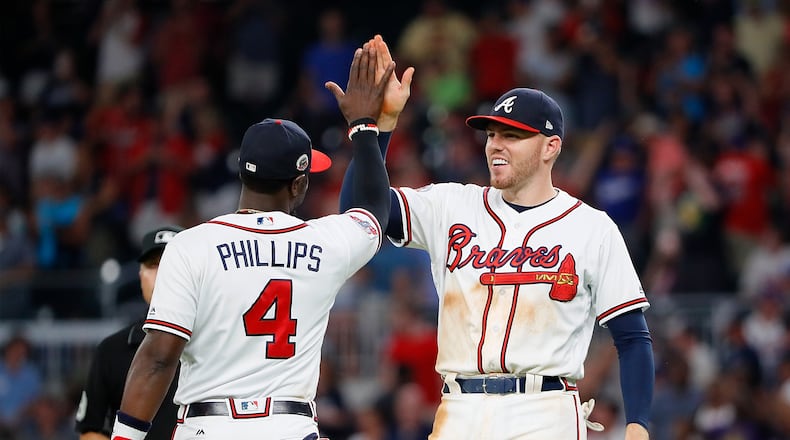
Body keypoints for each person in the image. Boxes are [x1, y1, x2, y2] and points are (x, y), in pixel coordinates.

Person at [340, 35, 654, 439]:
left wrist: (638, 425)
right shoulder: (451, 205)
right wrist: (377, 129)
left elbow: (632, 336)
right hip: (460, 408)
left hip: (545, 408)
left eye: (513, 136)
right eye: (491, 134)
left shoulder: (591, 227)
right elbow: (360, 212)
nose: (496, 146)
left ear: (550, 147)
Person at [110, 45, 395, 440]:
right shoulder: (325, 242)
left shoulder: (191, 245)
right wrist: (366, 126)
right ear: (298, 184)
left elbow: (158, 357)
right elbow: (373, 210)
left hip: (207, 426)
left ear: (243, 175)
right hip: (289, 426)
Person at [75, 224, 184, 439]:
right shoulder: (113, 350)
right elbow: (92, 429)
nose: (162, 274)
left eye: (172, 265)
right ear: (140, 274)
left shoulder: (216, 344)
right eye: (153, 265)